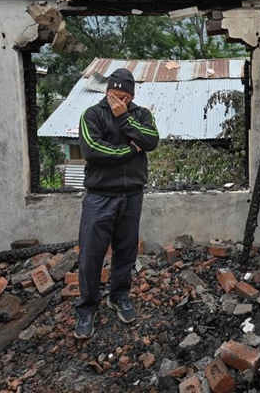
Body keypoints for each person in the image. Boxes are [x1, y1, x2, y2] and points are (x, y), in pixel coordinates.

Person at [74, 68, 159, 339]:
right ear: (106, 91)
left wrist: (124, 119)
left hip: (132, 195)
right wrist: (130, 149)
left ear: (131, 97)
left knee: (125, 251)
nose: (117, 101)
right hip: (100, 196)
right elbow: (93, 150)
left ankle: (119, 296)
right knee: (91, 254)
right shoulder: (92, 115)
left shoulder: (140, 115)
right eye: (113, 95)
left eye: (123, 97)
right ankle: (87, 307)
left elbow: (152, 140)